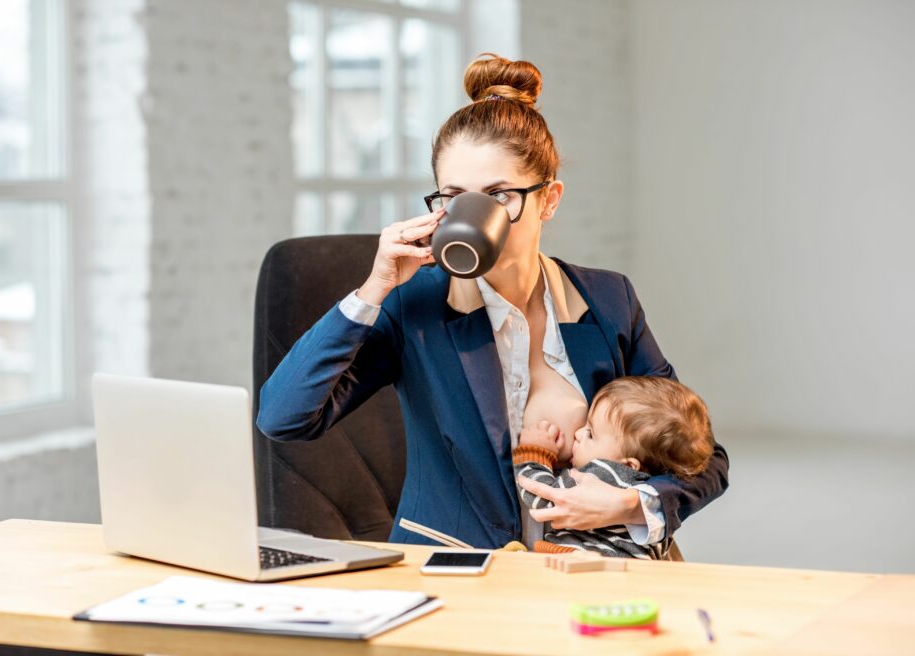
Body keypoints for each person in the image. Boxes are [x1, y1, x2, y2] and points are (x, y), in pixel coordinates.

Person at [257, 53, 729, 550]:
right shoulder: (413, 307)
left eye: (499, 194)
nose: (474, 213)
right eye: (455, 196)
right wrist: (372, 289)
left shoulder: (608, 300)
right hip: (456, 569)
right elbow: (284, 419)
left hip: (592, 570)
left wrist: (632, 503)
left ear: (548, 199)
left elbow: (703, 458)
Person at [514, 376, 714, 559]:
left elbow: (543, 498)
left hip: (585, 566)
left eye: (591, 433)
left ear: (627, 464)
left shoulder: (604, 474)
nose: (578, 434)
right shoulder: (644, 482)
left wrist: (536, 453)